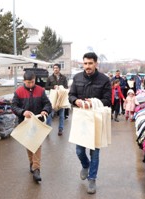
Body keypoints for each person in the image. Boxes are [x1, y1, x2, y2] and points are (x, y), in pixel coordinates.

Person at [68, 52, 111, 194]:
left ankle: (92, 179)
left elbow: (108, 100)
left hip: (97, 119)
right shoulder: (77, 77)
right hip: (82, 119)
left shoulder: (104, 79)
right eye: (85, 63)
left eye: (90, 63)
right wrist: (76, 101)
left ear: (96, 63)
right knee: (79, 150)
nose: (87, 66)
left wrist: (92, 102)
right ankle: (85, 165)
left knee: (95, 152)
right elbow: (71, 95)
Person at [11, 71, 52, 183]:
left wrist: (45, 110)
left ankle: (36, 168)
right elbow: (14, 106)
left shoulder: (41, 90)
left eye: (32, 82)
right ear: (24, 81)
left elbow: (48, 104)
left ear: (35, 80)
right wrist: (23, 112)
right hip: (24, 122)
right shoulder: (19, 91)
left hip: (38, 122)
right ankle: (32, 163)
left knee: (37, 144)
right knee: (29, 144)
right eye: (28, 82)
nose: (30, 84)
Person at [45, 63, 68, 136]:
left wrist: (61, 87)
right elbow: (46, 87)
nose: (55, 69)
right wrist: (53, 87)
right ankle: (48, 129)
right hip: (53, 98)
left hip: (61, 98)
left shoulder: (63, 77)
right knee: (50, 114)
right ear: (53, 69)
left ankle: (60, 129)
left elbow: (66, 87)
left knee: (61, 115)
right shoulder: (50, 78)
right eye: (54, 68)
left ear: (59, 69)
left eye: (57, 68)